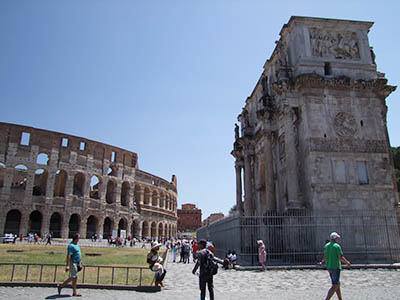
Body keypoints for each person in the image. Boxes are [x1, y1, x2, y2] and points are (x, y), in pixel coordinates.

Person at [321, 232, 351, 300]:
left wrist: (324, 261)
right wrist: (347, 262)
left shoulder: (327, 246)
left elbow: (325, 257)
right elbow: (340, 257)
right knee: (335, 285)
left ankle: (340, 299)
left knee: (337, 284)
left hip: (329, 267)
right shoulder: (337, 246)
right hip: (336, 267)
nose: (338, 239)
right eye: (337, 237)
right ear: (335, 238)